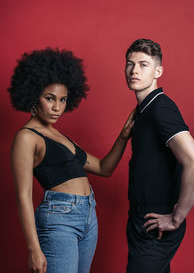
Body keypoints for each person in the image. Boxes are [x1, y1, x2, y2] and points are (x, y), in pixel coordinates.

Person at [9, 47, 134, 273]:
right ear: (33, 95)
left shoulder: (60, 136)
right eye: (50, 99)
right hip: (59, 220)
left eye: (63, 100)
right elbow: (23, 196)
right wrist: (33, 250)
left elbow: (104, 168)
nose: (57, 107)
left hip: (88, 215)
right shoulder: (26, 137)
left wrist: (124, 135)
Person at [125, 38, 194, 273]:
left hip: (156, 221)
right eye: (130, 63)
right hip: (141, 219)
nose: (134, 70)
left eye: (143, 64)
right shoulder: (144, 110)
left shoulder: (161, 108)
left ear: (158, 71)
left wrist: (176, 218)